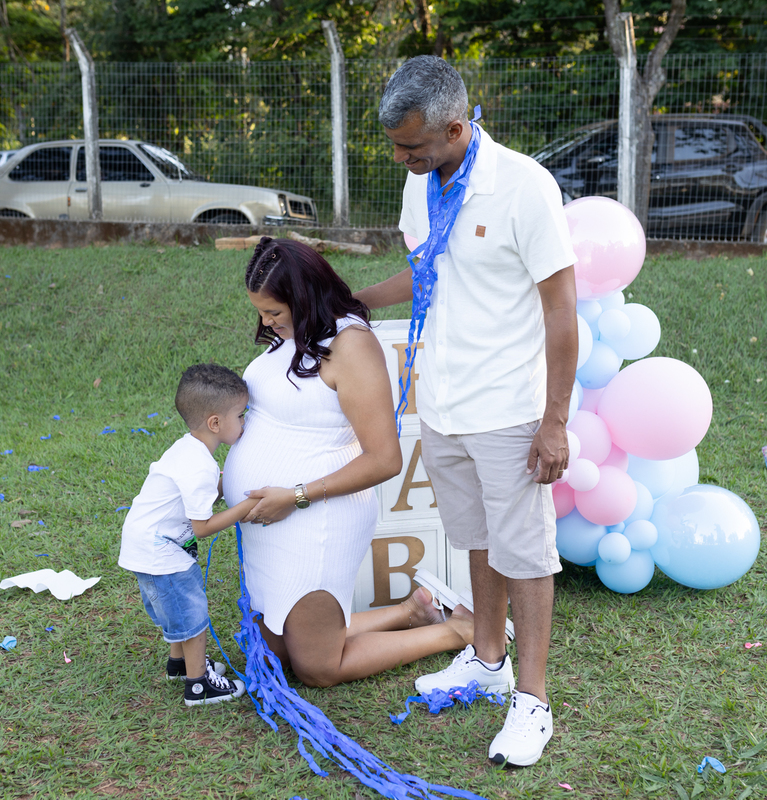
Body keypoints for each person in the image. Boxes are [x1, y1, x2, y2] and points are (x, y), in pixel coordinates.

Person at [354, 56, 580, 768]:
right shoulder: (420, 182)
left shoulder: (523, 186)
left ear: (456, 129)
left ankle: (532, 702)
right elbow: (429, 270)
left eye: (412, 146)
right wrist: (356, 300)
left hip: (510, 408)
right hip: (444, 401)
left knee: (526, 553)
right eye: (396, 147)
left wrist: (555, 421)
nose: (402, 158)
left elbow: (562, 310)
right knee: (477, 540)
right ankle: (487, 661)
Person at [222, 236, 475, 688]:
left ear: (303, 297)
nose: (265, 322)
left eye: (274, 312)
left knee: (317, 668)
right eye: (260, 312)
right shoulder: (295, 334)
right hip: (273, 521)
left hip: (314, 518)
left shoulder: (351, 345)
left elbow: (385, 459)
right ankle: (409, 612)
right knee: (276, 653)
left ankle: (455, 631)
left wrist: (295, 496)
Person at [118, 363, 258, 707]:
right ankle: (198, 686)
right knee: (192, 615)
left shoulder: (188, 449)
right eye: (241, 415)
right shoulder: (199, 466)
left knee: (178, 610)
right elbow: (202, 527)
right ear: (216, 423)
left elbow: (204, 494)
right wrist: (247, 506)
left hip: (148, 544)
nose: (245, 422)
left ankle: (178, 664)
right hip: (160, 552)